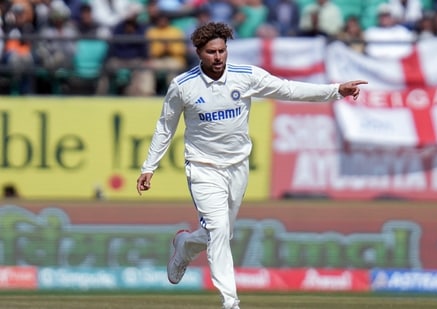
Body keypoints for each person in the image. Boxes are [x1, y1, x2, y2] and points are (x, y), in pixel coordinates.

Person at [135, 22, 366, 309]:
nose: (218, 57)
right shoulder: (183, 86)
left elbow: (289, 89)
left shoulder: (246, 76)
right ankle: (230, 302)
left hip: (237, 166)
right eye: (211, 52)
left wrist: (335, 90)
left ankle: (184, 246)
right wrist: (149, 167)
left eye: (222, 50)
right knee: (218, 231)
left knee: (219, 233)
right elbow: (165, 127)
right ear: (199, 53)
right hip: (203, 167)